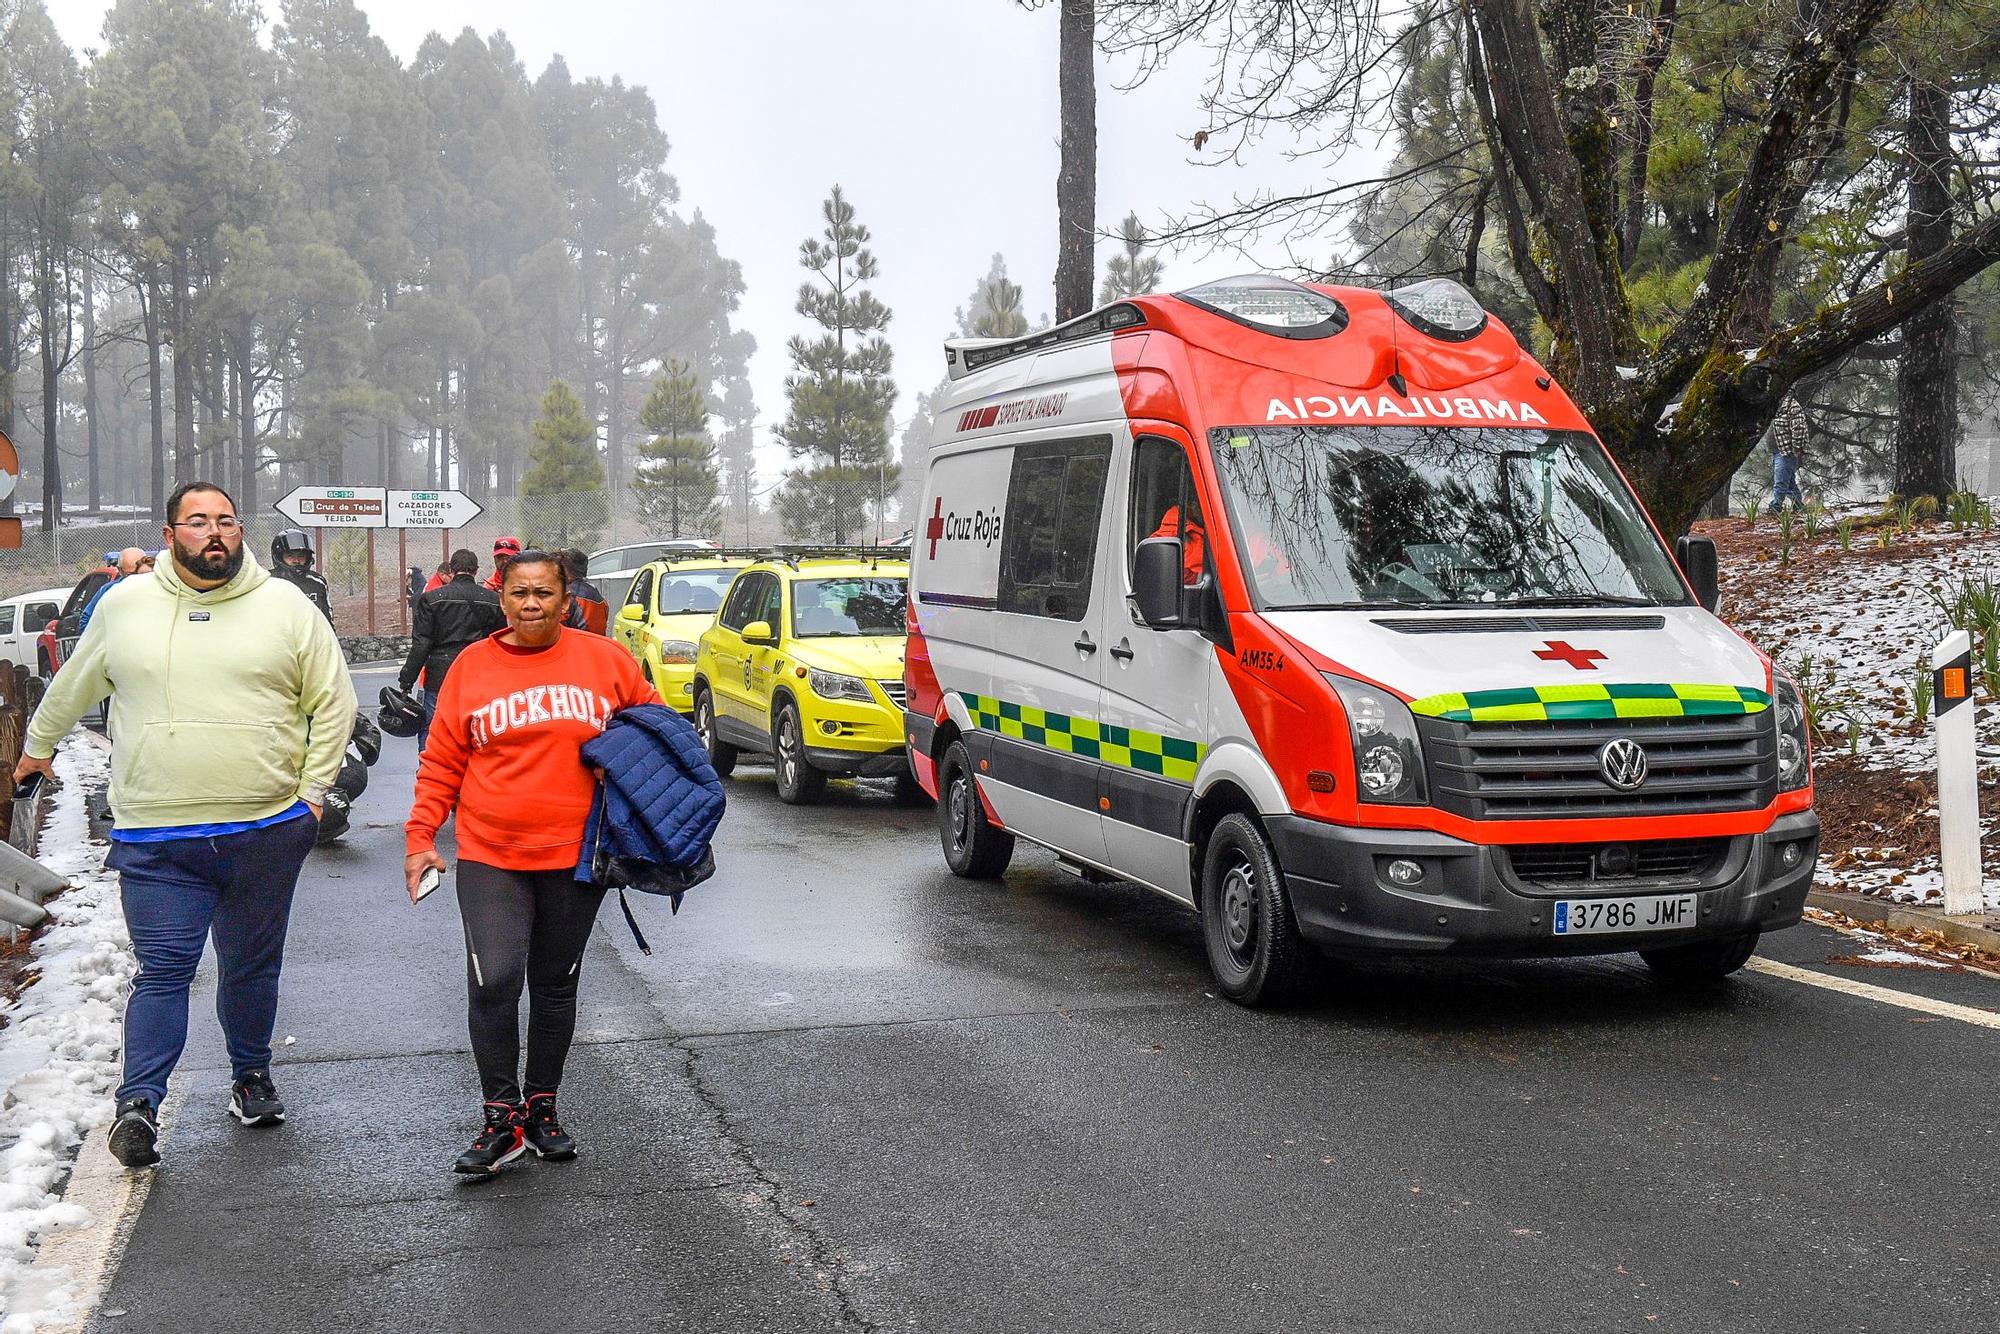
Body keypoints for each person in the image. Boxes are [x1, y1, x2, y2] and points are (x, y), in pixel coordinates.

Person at [14, 482, 355, 1169]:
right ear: (171, 534)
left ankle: (250, 1075)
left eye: (226, 521)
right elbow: (76, 682)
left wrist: (312, 798)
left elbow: (334, 699)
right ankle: (137, 1104)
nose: (215, 532)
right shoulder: (128, 605)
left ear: (240, 532)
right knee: (164, 970)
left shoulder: (285, 605)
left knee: (251, 967)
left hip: (263, 828)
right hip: (156, 834)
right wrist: (36, 749)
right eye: (198, 522)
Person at [404, 549, 659, 1176]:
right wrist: (420, 837)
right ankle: (500, 1118)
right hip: (491, 852)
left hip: (577, 856)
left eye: (544, 592)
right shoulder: (471, 666)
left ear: (566, 598)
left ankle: (542, 1108)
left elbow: (657, 729)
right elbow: (441, 761)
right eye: (519, 593)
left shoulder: (606, 661)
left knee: (554, 984)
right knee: (495, 979)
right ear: (502, 597)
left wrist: (630, 771)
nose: (531, 604)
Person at [399, 549, 505, 749]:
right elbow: (499, 642)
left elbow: (421, 645)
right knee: (479, 730)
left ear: (452, 569)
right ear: (475, 570)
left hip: (440, 674)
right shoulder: (492, 600)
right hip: (479, 674)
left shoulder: (431, 599)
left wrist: (406, 680)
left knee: (433, 730)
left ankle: (429, 772)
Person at [79, 546, 156, 633]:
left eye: (139, 573)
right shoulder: (108, 592)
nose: (135, 579)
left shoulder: (160, 590)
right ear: (120, 570)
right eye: (130, 575)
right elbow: (86, 621)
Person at [269, 528, 335, 624]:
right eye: (290, 555)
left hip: (310, 637)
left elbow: (327, 619)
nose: (296, 560)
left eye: (301, 556)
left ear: (308, 557)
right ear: (278, 557)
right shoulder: (267, 581)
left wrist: (330, 638)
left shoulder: (317, 582)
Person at [1770, 393, 1809, 514]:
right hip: (1778, 451)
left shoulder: (1792, 406)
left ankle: (1775, 507)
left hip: (1786, 452)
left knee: (1781, 481)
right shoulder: (1775, 405)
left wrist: (1796, 449)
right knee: (1789, 483)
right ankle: (1798, 506)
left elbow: (1799, 428)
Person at [560, 548, 608, 634]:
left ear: (566, 570)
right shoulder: (593, 590)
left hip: (578, 643)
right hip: (595, 642)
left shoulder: (571, 595)